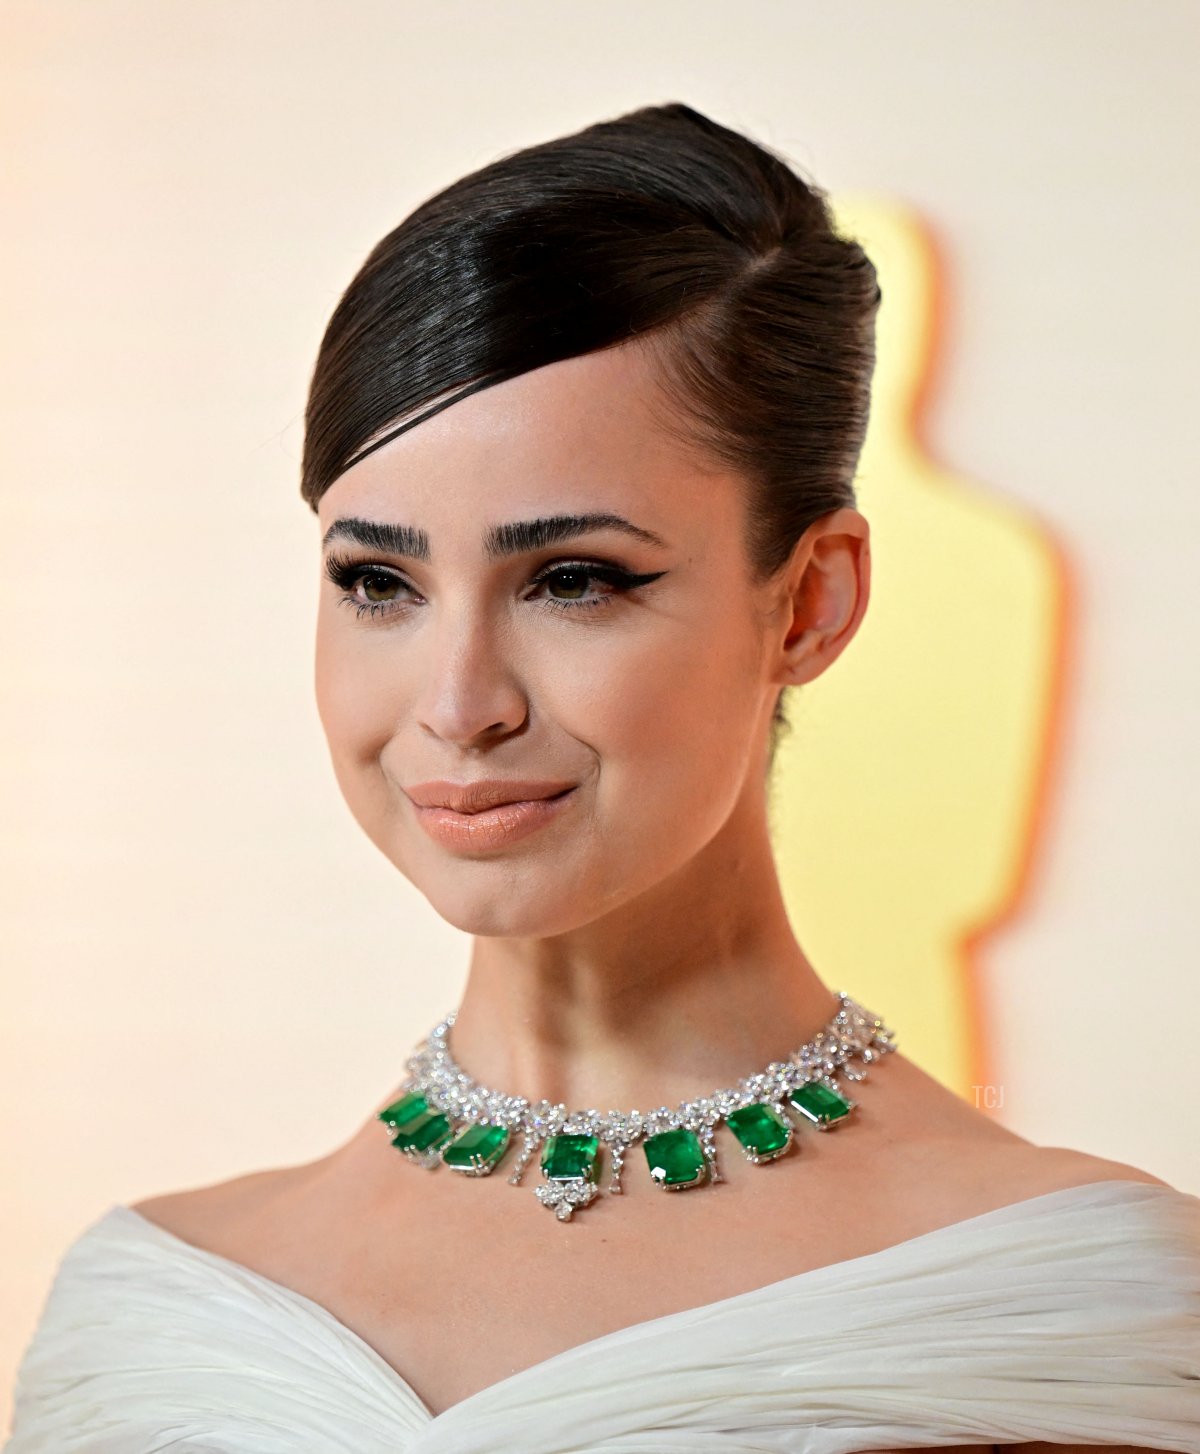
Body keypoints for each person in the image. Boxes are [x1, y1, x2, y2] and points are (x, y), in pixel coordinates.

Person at [5, 101, 1198, 1454]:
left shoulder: (1081, 1315)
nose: (459, 706)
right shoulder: (144, 1313)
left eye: (573, 579)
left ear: (808, 601)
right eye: (377, 582)